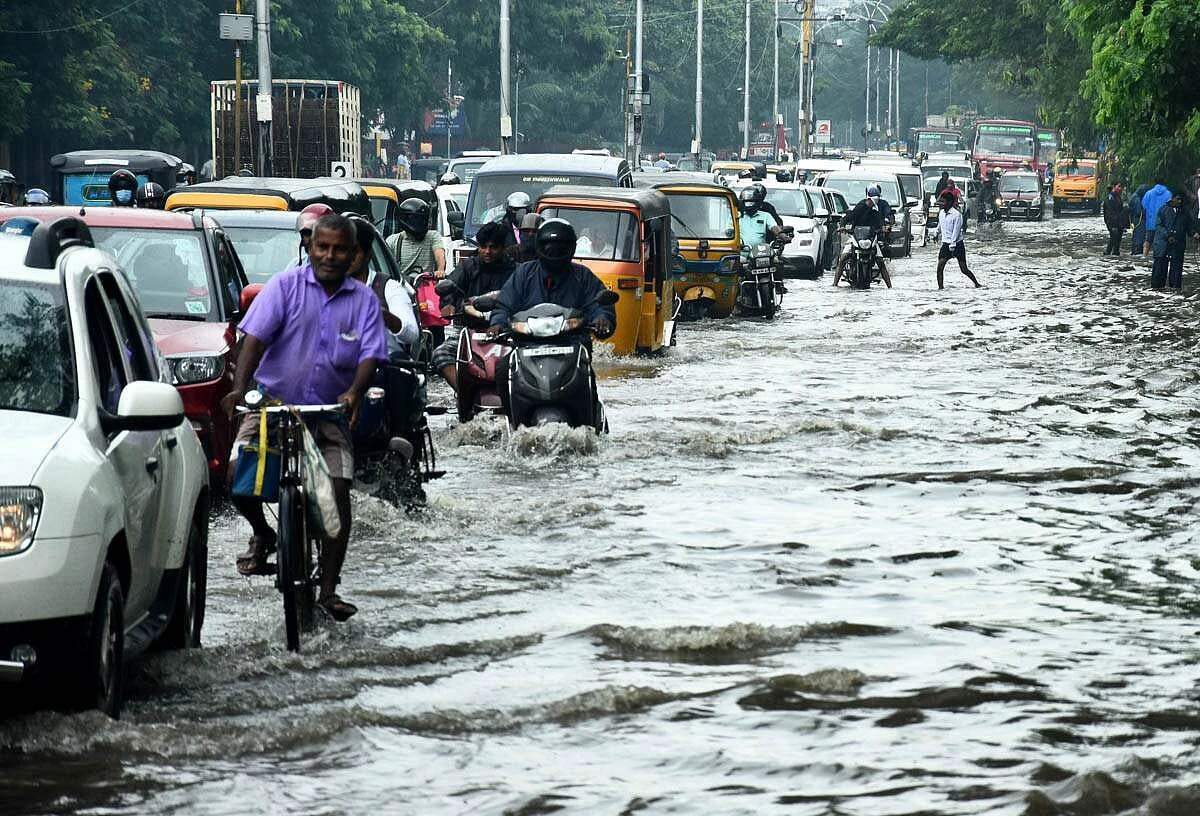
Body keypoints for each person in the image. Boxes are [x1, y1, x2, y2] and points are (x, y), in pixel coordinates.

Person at [222, 213, 387, 621]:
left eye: (339, 249)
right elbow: (254, 341)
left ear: (353, 255)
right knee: (237, 481)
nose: (330, 256)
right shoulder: (284, 286)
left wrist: (354, 392)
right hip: (273, 406)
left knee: (337, 496)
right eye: (322, 247)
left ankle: (328, 590)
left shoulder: (364, 299)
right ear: (310, 248)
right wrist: (240, 390)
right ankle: (263, 535)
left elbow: (370, 355)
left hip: (330, 412)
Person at [489, 218, 616, 339]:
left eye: (561, 247)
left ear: (572, 247)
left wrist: (602, 319)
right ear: (539, 246)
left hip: (572, 342)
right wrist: (498, 324)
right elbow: (504, 304)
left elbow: (598, 305)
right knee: (501, 362)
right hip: (527, 343)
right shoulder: (525, 273)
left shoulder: (583, 276)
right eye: (549, 246)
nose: (555, 251)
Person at [432, 221, 517, 390]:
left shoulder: (516, 271)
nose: (487, 252)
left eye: (493, 247)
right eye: (483, 246)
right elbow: (450, 288)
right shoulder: (468, 267)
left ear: (503, 248)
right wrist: (450, 305)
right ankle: (465, 394)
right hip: (472, 332)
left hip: (507, 334)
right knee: (440, 354)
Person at [347, 218, 419, 359]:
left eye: (354, 251)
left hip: (383, 368)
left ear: (368, 255)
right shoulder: (325, 287)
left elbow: (412, 334)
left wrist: (385, 317)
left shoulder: (389, 288)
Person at [833, 188, 892, 288]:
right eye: (872, 200)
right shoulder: (859, 207)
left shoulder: (876, 210)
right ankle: (835, 283)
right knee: (843, 258)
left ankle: (889, 286)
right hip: (855, 238)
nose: (872, 203)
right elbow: (847, 217)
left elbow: (881, 223)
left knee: (880, 261)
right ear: (868, 198)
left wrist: (885, 228)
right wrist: (842, 226)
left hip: (871, 239)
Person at [385, 197, 446, 279]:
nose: (420, 222)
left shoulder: (433, 236)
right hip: (403, 287)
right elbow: (384, 264)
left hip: (427, 286)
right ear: (404, 219)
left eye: (423, 219)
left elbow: (439, 254)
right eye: (416, 219)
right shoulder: (393, 241)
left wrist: (440, 270)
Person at [1150, 192, 1199, 290]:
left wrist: (1194, 233)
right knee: (1159, 271)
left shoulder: (1185, 212)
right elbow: (1159, 226)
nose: (1179, 201)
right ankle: (1157, 291)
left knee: (1176, 272)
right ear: (1172, 199)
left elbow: (1189, 226)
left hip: (1178, 245)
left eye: (1181, 199)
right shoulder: (1163, 210)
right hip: (1162, 244)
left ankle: (1175, 290)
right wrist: (1168, 236)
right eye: (1178, 199)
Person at [933, 191, 980, 289]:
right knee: (940, 267)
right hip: (945, 244)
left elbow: (956, 231)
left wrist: (953, 245)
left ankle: (976, 283)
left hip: (957, 244)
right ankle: (940, 288)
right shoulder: (941, 213)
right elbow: (940, 224)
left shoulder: (957, 215)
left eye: (943, 201)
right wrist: (936, 233)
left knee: (963, 269)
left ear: (949, 202)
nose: (941, 204)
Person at [1141, 179, 1172, 255]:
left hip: (1151, 222)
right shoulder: (1169, 194)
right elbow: (1171, 208)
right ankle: (1161, 258)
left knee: (1148, 240)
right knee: (1164, 242)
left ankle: (1144, 256)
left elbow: (1143, 205)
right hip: (1163, 224)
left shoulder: (1148, 193)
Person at [1102, 184, 1128, 256]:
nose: (1120, 188)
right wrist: (1113, 225)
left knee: (1118, 239)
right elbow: (1110, 213)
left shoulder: (1117, 196)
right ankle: (1108, 253)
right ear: (1114, 187)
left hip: (1118, 222)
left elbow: (1120, 211)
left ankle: (1115, 254)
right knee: (1114, 238)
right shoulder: (1110, 198)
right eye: (1119, 186)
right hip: (1113, 223)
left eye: (1121, 187)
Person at [1128, 183, 1149, 255]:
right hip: (1139, 220)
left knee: (1136, 236)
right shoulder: (1136, 198)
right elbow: (1138, 211)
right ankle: (1137, 251)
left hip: (1135, 220)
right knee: (1139, 236)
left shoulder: (1134, 196)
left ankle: (1135, 250)